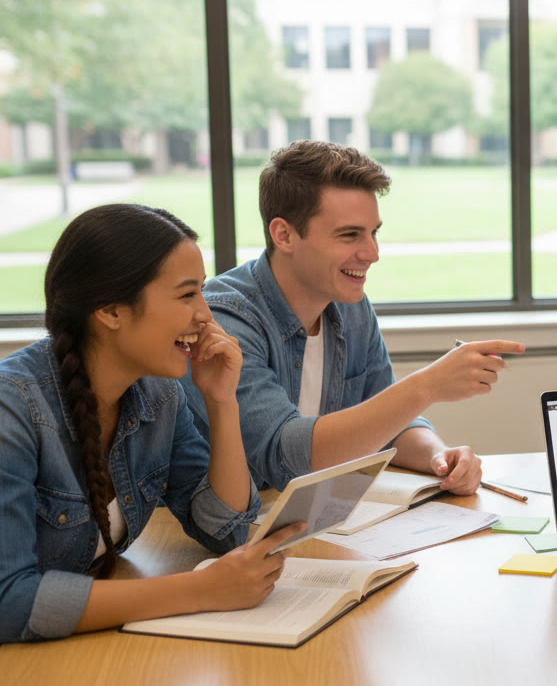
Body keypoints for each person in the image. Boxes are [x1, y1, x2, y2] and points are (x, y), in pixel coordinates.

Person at [0, 204, 304, 643]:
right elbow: (9, 602)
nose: (205, 315)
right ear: (110, 311)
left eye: (201, 291)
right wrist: (199, 590)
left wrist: (221, 402)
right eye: (186, 295)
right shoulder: (13, 409)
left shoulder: (159, 394)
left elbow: (225, 529)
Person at [181, 141, 524, 491]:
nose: (372, 253)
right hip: (211, 537)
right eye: (349, 235)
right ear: (283, 235)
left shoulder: (350, 306)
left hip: (302, 523)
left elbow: (388, 423)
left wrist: (440, 457)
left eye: (373, 232)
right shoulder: (222, 318)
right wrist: (426, 386)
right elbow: (284, 458)